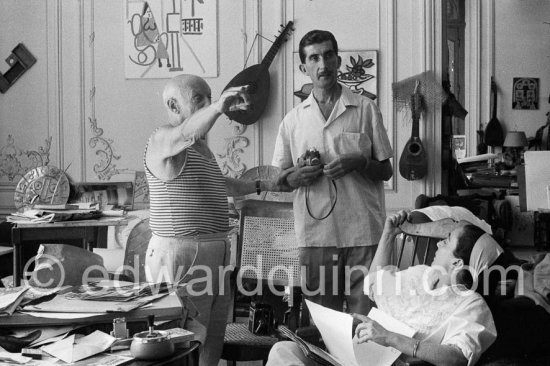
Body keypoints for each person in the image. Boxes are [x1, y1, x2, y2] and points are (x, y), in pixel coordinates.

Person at [143, 74, 279, 366]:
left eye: (209, 97)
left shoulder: (200, 150)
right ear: (173, 104)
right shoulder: (163, 138)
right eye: (198, 99)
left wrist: (267, 184)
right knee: (181, 342)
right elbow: (186, 133)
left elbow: (223, 184)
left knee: (211, 341)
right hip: (180, 254)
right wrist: (218, 106)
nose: (207, 103)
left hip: (214, 255)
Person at [267, 211, 498, 366]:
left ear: (457, 263)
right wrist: (388, 235)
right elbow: (375, 280)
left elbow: (457, 357)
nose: (438, 243)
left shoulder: (472, 305)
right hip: (355, 356)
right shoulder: (419, 274)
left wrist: (390, 338)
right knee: (283, 351)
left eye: (446, 241)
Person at [271, 29, 393, 315]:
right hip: (317, 237)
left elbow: (386, 170)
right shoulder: (292, 122)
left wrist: (359, 163)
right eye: (314, 58)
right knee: (322, 324)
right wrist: (297, 175)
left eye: (328, 56)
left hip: (363, 232)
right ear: (304, 68)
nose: (322, 65)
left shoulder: (365, 109)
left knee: (365, 321)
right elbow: (281, 181)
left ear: (338, 61)